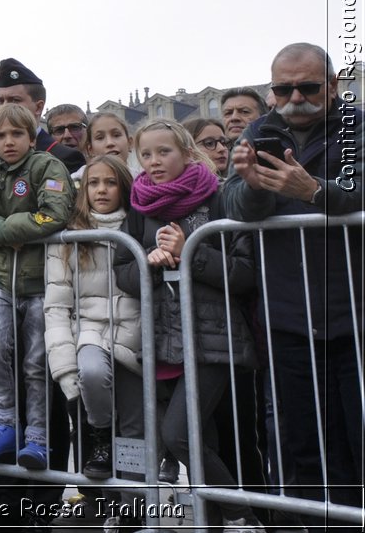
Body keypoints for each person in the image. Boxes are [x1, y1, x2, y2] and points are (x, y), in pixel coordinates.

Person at [224, 43, 364, 526]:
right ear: (271, 89)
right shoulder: (258, 131)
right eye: (284, 88)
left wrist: (315, 192)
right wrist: (256, 187)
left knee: (357, 435)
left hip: (355, 312)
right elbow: (233, 205)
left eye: (308, 87)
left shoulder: (358, 126)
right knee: (300, 438)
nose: (295, 97)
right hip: (287, 314)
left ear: (332, 87)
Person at [115, 120, 261, 531]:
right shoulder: (140, 207)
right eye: (146, 154)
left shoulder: (218, 199)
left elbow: (246, 273)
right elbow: (123, 272)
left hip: (212, 339)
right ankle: (212, 521)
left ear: (186, 152)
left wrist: (189, 254)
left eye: (165, 152)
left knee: (178, 434)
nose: (154, 162)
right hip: (162, 340)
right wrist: (149, 263)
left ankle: (242, 516)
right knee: (202, 438)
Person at [0, 104, 73, 471]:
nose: (9, 142)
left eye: (17, 134)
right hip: (1, 281)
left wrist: (6, 230)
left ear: (31, 135)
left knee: (36, 361)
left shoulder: (47, 167)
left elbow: (55, 213)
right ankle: (6, 422)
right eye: (1, 136)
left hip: (41, 283)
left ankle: (38, 436)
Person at [42, 154, 142, 481]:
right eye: (93, 183)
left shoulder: (139, 226)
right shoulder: (69, 237)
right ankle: (101, 434)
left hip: (137, 333)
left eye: (110, 182)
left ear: (124, 187)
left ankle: (133, 509)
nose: (101, 190)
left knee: (135, 428)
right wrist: (65, 369)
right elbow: (56, 304)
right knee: (92, 373)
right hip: (90, 332)